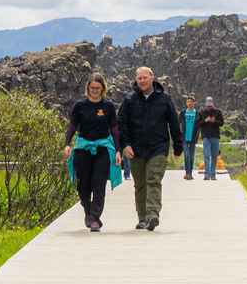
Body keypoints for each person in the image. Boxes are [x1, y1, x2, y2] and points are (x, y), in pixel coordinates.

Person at [117, 66, 182, 231]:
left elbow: (174, 123)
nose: (142, 81)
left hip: (158, 148)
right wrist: (124, 145)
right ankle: (142, 217)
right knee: (140, 185)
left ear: (152, 78)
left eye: (145, 78)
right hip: (136, 150)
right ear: (136, 80)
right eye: (139, 78)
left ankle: (153, 215)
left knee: (153, 180)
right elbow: (121, 124)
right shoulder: (129, 100)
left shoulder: (164, 99)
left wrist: (178, 147)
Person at [63, 72, 121, 232]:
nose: (95, 90)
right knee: (83, 185)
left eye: (98, 88)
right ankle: (88, 212)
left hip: (103, 148)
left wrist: (117, 150)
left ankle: (94, 218)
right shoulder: (80, 106)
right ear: (88, 88)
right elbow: (73, 126)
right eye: (92, 87)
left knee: (99, 183)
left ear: (103, 88)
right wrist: (67, 144)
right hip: (83, 148)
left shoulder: (108, 107)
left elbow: (114, 128)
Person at [198, 97, 225, 181]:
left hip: (215, 136)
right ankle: (206, 175)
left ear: (212, 103)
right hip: (206, 136)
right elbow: (198, 123)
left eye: (210, 104)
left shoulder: (218, 112)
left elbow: (221, 123)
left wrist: (214, 121)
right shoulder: (202, 112)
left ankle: (213, 175)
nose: (209, 106)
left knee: (214, 156)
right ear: (206, 103)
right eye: (208, 104)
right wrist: (205, 120)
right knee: (206, 155)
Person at [180, 95, 199, 180]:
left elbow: (199, 126)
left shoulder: (197, 113)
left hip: (193, 138)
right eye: (188, 102)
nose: (189, 103)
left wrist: (199, 136)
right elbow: (178, 123)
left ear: (194, 103)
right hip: (184, 137)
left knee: (191, 156)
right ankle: (187, 173)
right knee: (186, 155)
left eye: (191, 102)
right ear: (186, 103)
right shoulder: (183, 112)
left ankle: (190, 173)